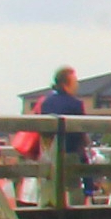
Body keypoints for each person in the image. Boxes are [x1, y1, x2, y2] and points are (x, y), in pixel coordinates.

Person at [33, 66, 88, 205]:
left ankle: (47, 212)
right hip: (69, 152)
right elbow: (80, 132)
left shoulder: (46, 102)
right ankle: (78, 217)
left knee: (49, 185)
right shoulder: (76, 104)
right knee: (74, 185)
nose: (77, 84)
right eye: (74, 81)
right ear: (66, 84)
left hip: (48, 153)